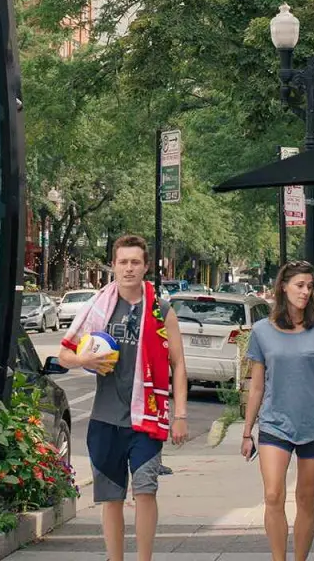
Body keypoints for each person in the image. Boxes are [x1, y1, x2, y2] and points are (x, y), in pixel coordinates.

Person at [57, 234, 189, 561]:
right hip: (105, 418)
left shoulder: (160, 309)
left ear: (145, 267)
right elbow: (63, 354)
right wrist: (84, 360)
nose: (128, 268)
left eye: (135, 262)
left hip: (146, 418)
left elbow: (179, 364)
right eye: (122, 262)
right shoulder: (98, 307)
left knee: (146, 490)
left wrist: (181, 415)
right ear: (113, 265)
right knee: (111, 498)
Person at [242, 260, 314, 561]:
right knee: (273, 495)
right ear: (283, 287)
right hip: (274, 424)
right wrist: (247, 432)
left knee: (306, 499)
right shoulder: (261, 331)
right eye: (300, 285)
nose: (305, 292)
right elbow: (257, 385)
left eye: (310, 286)